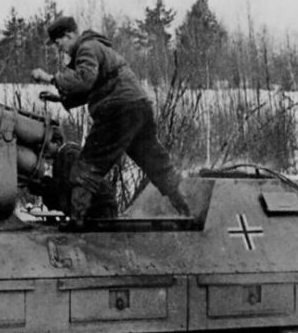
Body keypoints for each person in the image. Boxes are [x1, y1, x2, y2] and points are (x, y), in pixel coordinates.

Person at [31, 15, 191, 227]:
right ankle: (186, 209)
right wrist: (60, 97)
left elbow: (84, 80)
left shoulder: (87, 48)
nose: (59, 48)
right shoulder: (98, 48)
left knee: (87, 167)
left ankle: (76, 221)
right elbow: (93, 86)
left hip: (117, 111)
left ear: (69, 35)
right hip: (137, 107)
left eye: (59, 42)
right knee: (154, 160)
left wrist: (51, 78)